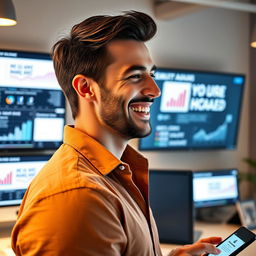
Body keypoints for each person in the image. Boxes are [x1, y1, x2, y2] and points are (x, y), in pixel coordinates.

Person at [11, 11, 222, 256]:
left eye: (151, 74)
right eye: (134, 76)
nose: (155, 90)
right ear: (86, 88)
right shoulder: (79, 199)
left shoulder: (115, 176)